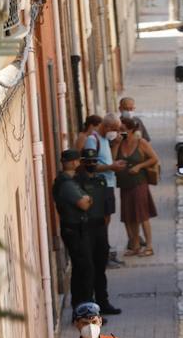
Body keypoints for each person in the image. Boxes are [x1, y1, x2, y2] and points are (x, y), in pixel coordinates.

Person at [52, 150, 120, 316]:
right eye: (87, 161)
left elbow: (105, 204)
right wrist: (88, 199)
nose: (91, 164)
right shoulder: (71, 182)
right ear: (78, 162)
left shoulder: (98, 180)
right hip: (81, 230)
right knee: (85, 271)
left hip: (95, 228)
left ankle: (101, 303)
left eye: (94, 161)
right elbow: (84, 203)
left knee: (96, 268)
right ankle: (87, 311)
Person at [80, 114, 124, 268]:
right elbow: (91, 166)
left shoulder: (105, 139)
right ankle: (101, 255)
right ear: (106, 127)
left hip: (109, 183)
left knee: (107, 219)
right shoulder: (93, 140)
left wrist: (116, 148)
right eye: (114, 129)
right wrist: (111, 167)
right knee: (102, 221)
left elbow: (109, 160)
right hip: (100, 186)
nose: (116, 133)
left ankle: (105, 251)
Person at [114, 117, 159, 257]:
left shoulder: (141, 143)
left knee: (142, 215)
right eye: (119, 130)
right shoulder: (119, 144)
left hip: (139, 183)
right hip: (124, 184)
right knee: (128, 216)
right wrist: (116, 143)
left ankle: (149, 246)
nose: (121, 132)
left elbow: (154, 158)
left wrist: (139, 166)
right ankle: (135, 245)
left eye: (123, 129)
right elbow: (113, 159)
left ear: (131, 129)